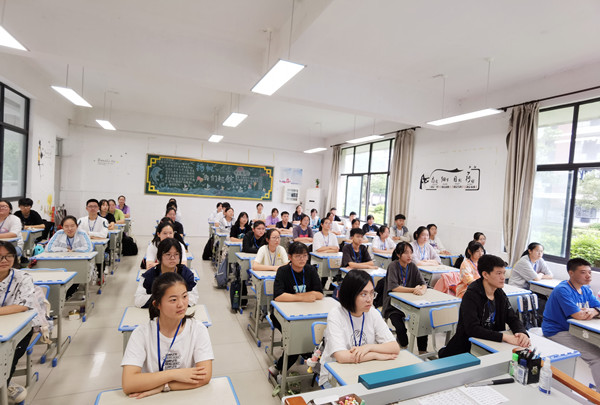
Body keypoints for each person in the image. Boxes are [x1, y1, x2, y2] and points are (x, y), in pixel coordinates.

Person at [122, 272, 213, 398]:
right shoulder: (141, 334)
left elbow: (204, 377)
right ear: (157, 304)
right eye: (173, 300)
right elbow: (129, 384)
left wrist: (164, 386)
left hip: (187, 397)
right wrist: (174, 374)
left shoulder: (198, 329)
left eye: (184, 296)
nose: (181, 304)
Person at [319, 269, 399, 387]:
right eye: (363, 294)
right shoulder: (336, 314)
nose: (369, 299)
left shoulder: (372, 313)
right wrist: (375, 355)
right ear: (350, 294)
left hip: (365, 370)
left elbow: (394, 347)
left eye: (372, 293)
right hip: (334, 376)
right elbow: (341, 357)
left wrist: (368, 347)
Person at [438, 254, 530, 358]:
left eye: (504, 273)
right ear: (485, 274)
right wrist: (505, 337)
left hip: (491, 344)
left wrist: (521, 332)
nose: (503, 277)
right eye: (498, 273)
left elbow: (512, 317)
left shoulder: (499, 293)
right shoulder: (471, 295)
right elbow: (472, 329)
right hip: (466, 348)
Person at [542, 258, 600, 389]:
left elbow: (597, 307)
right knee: (597, 357)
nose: (588, 276)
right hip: (557, 331)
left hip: (575, 329)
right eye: (583, 272)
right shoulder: (563, 290)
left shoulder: (586, 290)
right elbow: (578, 315)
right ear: (571, 273)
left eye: (589, 272)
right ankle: (597, 396)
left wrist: (594, 310)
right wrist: (594, 311)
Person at [268, 243, 323, 379]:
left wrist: (297, 296)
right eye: (298, 256)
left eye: (305, 255)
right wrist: (303, 297)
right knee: (296, 337)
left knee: (312, 335)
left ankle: (306, 354)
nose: (302, 259)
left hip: (306, 313)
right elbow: (279, 296)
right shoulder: (283, 271)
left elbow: (319, 294)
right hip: (281, 315)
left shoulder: (310, 270)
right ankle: (279, 367)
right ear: (290, 257)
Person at [0, 241, 35, 403]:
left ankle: (4, 384)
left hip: (19, 328)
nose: (4, 260)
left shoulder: (23, 278)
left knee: (6, 358)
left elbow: (23, 305)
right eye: (0, 257)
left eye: (9, 256)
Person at [383, 242, 428, 353]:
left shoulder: (412, 266)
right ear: (398, 254)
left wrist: (422, 290)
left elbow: (423, 283)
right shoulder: (393, 266)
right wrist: (413, 289)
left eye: (411, 253)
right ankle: (403, 345)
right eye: (406, 253)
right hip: (393, 305)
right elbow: (394, 288)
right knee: (400, 328)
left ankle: (422, 351)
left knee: (422, 322)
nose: (409, 256)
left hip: (410, 304)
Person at [135, 238, 197, 308]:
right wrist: (167, 299)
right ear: (160, 256)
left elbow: (193, 298)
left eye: (176, 254)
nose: (172, 258)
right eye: (168, 254)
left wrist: (169, 299)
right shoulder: (150, 275)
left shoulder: (186, 273)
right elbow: (138, 300)